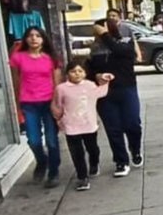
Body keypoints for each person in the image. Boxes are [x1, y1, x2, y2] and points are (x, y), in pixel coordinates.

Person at [89, 18, 144, 176]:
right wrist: (97, 75)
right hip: (105, 92)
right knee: (113, 128)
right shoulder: (95, 48)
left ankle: (135, 149)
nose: (96, 33)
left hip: (127, 89)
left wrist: (105, 34)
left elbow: (121, 52)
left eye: (98, 30)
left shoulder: (125, 43)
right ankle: (121, 161)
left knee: (132, 123)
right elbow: (89, 70)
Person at [9, 26, 63, 187]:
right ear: (25, 39)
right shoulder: (18, 57)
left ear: (43, 39)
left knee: (52, 140)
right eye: (30, 35)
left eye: (37, 35)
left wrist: (57, 103)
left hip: (48, 102)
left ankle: (54, 172)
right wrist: (17, 102)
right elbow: (15, 80)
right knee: (33, 140)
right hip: (28, 103)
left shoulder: (51, 58)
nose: (34, 38)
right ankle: (42, 161)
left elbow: (57, 82)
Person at [52, 59, 113, 192]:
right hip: (71, 125)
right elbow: (57, 105)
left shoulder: (90, 85)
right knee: (76, 152)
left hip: (89, 124)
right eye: (73, 71)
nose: (77, 74)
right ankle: (82, 177)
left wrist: (105, 80)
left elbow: (101, 92)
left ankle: (94, 163)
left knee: (93, 148)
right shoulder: (61, 88)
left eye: (80, 71)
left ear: (85, 73)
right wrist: (58, 118)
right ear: (67, 73)